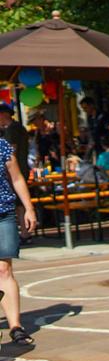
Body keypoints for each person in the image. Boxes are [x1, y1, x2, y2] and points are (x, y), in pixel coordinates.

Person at [0, 133, 38, 346]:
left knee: (4, 269)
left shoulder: (2, 146)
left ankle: (16, 326)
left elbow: (16, 178)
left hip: (3, 213)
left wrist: (29, 208)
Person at [0, 104, 31, 182]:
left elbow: (11, 154)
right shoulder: (19, 127)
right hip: (21, 171)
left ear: (3, 114)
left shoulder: (11, 130)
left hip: (15, 174)